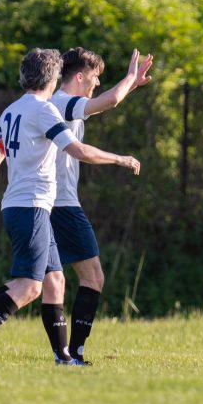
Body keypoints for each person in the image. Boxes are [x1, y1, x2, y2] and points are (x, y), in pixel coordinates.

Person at [0, 47, 141, 364]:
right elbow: (77, 150)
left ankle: (63, 357)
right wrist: (119, 158)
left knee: (55, 281)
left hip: (20, 206)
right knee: (29, 286)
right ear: (52, 77)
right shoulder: (44, 110)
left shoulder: (10, 111)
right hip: (32, 206)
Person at [49, 46, 153, 364]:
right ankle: (73, 354)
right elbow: (109, 101)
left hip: (50, 202)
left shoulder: (59, 104)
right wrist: (129, 78)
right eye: (94, 77)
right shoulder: (64, 102)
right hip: (62, 204)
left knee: (41, 282)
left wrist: (131, 84)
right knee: (92, 277)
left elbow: (104, 102)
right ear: (79, 76)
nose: (96, 83)